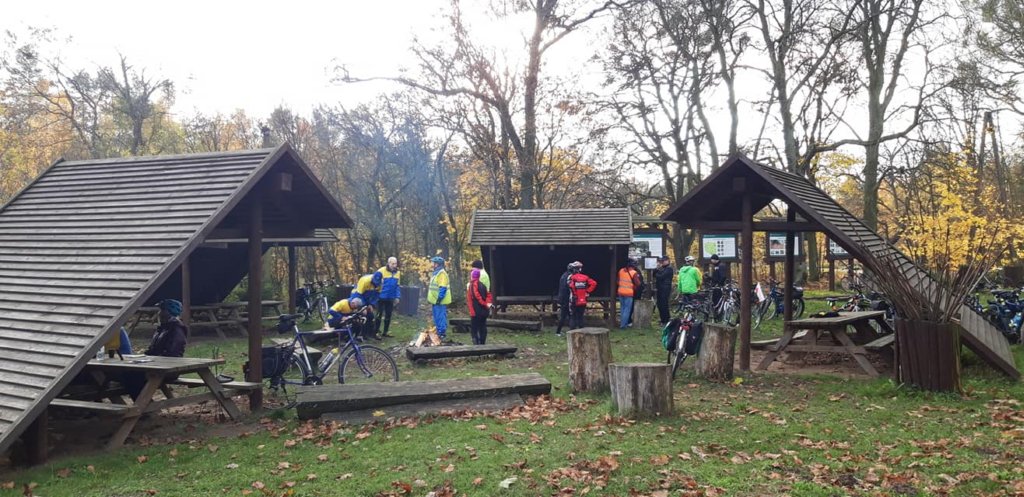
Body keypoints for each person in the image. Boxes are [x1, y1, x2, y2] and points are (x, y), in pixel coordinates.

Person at [124, 299, 188, 401]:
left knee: (133, 377)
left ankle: (143, 405)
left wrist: (152, 360)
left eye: (162, 310)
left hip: (168, 369)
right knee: (127, 374)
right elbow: (152, 350)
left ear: (169, 312)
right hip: (155, 366)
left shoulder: (177, 329)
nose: (159, 313)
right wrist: (142, 358)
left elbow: (172, 354)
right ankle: (144, 404)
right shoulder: (162, 328)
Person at [374, 257, 401, 337]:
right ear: (388, 263)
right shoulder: (381, 271)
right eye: (392, 264)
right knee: (378, 315)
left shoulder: (398, 273)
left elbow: (397, 286)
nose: (394, 265)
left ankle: (385, 332)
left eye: (395, 263)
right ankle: (376, 332)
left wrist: (397, 297)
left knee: (388, 315)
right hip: (381, 297)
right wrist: (377, 291)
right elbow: (374, 282)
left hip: (390, 298)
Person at [427, 256, 452, 340]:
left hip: (439, 301)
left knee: (440, 317)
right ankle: (439, 332)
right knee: (437, 317)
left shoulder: (441, 274)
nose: (432, 264)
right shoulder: (436, 273)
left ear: (437, 264)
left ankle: (441, 334)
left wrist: (439, 299)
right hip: (436, 301)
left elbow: (443, 288)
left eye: (433, 263)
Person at [466, 269, 493, 345]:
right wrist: (487, 305)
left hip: (476, 310)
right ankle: (482, 342)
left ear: (472, 276)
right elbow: (488, 295)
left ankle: (476, 343)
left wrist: (483, 303)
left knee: (474, 327)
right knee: (482, 326)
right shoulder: (483, 285)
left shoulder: (472, 285)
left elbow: (475, 296)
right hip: (484, 311)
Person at [567, 261, 597, 330]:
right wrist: (587, 291)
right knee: (581, 315)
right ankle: (581, 330)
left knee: (573, 315)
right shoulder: (585, 277)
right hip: (583, 299)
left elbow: (571, 286)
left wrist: (575, 294)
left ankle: (572, 331)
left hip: (574, 299)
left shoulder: (572, 277)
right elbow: (594, 283)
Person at [351, 272, 381, 340]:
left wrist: (371, 304)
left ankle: (369, 333)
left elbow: (377, 295)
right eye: (374, 283)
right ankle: (359, 334)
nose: (375, 285)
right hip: (357, 296)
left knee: (370, 316)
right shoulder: (364, 280)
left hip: (368, 297)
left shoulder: (381, 283)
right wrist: (363, 307)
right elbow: (359, 294)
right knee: (361, 315)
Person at [616, 259, 644, 329]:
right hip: (628, 293)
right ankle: (623, 326)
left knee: (622, 308)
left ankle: (622, 323)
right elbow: (638, 283)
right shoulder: (634, 272)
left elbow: (617, 281)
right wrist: (633, 286)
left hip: (620, 292)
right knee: (627, 309)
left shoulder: (621, 270)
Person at [653, 256, 675, 325]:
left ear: (668, 261)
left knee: (664, 304)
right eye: (661, 261)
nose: (662, 262)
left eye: (663, 261)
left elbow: (661, 277)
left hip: (665, 288)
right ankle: (663, 319)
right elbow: (654, 275)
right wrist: (656, 269)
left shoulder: (669, 269)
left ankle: (666, 319)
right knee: (659, 304)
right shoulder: (662, 268)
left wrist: (657, 273)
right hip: (660, 288)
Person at [554, 262, 573, 337]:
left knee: (566, 316)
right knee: (567, 316)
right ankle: (569, 332)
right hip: (566, 299)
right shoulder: (568, 276)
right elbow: (566, 288)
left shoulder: (564, 275)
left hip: (563, 298)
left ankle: (559, 332)